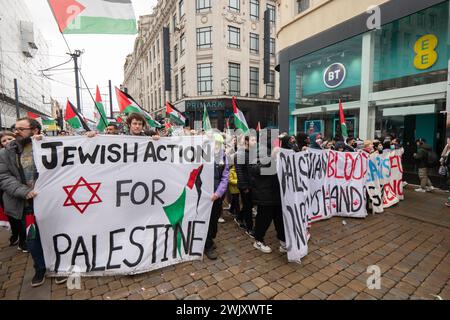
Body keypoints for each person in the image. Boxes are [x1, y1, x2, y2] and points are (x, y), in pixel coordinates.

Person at [0, 118, 66, 287]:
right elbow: (3, 177)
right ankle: (40, 268)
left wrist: (90, 137)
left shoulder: (51, 146)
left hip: (50, 202)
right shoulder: (6, 152)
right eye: (15, 128)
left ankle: (59, 266)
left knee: (54, 234)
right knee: (32, 239)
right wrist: (25, 192)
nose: (16, 132)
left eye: (21, 129)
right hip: (25, 204)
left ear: (34, 130)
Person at [250, 131, 286, 254]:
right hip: (265, 192)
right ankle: (258, 240)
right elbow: (255, 169)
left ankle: (283, 240)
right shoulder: (259, 151)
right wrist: (271, 158)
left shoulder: (281, 150)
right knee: (263, 219)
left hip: (277, 192)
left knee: (280, 219)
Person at [204, 134, 229, 260]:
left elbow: (225, 177)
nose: (216, 146)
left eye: (218, 144)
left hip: (216, 195)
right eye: (214, 143)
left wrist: (218, 193)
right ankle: (207, 245)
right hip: (204, 195)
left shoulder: (223, 158)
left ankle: (210, 239)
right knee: (206, 221)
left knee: (214, 221)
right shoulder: (202, 155)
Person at [0, 131, 24, 247]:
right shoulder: (2, 155)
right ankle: (16, 236)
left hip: (23, 191)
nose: (7, 142)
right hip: (9, 192)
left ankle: (22, 239)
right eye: (4, 141)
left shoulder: (23, 151)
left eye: (9, 139)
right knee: (14, 218)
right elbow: (4, 176)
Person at [235, 135, 257, 237]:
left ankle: (239, 217)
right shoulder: (240, 154)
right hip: (245, 186)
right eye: (253, 140)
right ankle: (249, 228)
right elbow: (239, 172)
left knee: (250, 204)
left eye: (255, 140)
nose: (255, 142)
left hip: (253, 185)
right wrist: (244, 187)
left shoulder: (253, 153)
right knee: (248, 207)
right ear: (247, 142)